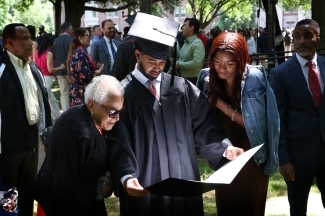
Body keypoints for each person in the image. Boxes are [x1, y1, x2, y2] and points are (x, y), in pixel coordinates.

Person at [106, 12, 244, 216]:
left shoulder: (182, 89)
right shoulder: (122, 94)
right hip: (145, 185)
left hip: (183, 183)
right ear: (137, 56)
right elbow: (118, 143)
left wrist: (225, 149)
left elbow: (204, 127)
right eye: (151, 61)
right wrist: (127, 176)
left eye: (162, 62)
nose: (158, 68)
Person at [207, 32, 279, 216]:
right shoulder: (207, 78)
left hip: (252, 151)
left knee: (250, 204)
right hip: (225, 150)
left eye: (229, 64)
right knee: (226, 202)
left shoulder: (254, 78)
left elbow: (259, 122)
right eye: (216, 62)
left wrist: (221, 105)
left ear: (241, 60)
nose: (222, 69)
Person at [35, 75, 124, 216]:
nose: (117, 118)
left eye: (120, 111)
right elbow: (64, 183)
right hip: (64, 207)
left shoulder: (88, 117)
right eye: (113, 112)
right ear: (92, 104)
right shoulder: (80, 133)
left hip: (81, 200)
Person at [269, 19, 325, 216]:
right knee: (298, 209)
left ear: (317, 38)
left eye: (308, 36)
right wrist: (283, 159)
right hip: (297, 157)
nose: (301, 41)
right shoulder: (280, 73)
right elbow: (278, 119)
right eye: (297, 37)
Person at [0, 23, 52, 216]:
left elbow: (42, 105)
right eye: (24, 39)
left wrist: (47, 135)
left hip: (32, 146)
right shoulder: (2, 70)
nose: (31, 43)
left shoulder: (33, 69)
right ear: (8, 43)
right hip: (7, 150)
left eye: (30, 37)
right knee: (7, 202)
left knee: (28, 196)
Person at [68, 27, 103, 107]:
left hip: (82, 91)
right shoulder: (79, 52)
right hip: (80, 93)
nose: (90, 37)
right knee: (82, 117)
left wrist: (96, 67)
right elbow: (84, 75)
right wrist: (97, 72)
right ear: (80, 38)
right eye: (87, 35)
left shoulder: (82, 51)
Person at [34, 33, 65, 123]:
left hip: (39, 77)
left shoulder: (36, 53)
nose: (55, 43)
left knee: (52, 100)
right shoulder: (49, 53)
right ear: (50, 42)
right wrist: (61, 67)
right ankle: (45, 119)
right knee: (44, 101)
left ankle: (57, 117)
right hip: (47, 78)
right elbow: (50, 69)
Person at [170, 17, 205, 84]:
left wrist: (179, 65)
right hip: (183, 79)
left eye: (184, 25)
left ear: (191, 28)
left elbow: (197, 63)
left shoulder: (197, 43)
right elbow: (181, 60)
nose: (182, 28)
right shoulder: (186, 43)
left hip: (192, 81)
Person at [52, 22, 73, 112]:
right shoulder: (71, 40)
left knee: (64, 94)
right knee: (73, 93)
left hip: (59, 70)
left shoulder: (55, 41)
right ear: (68, 31)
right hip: (70, 70)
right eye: (71, 29)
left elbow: (53, 56)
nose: (72, 31)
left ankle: (66, 113)